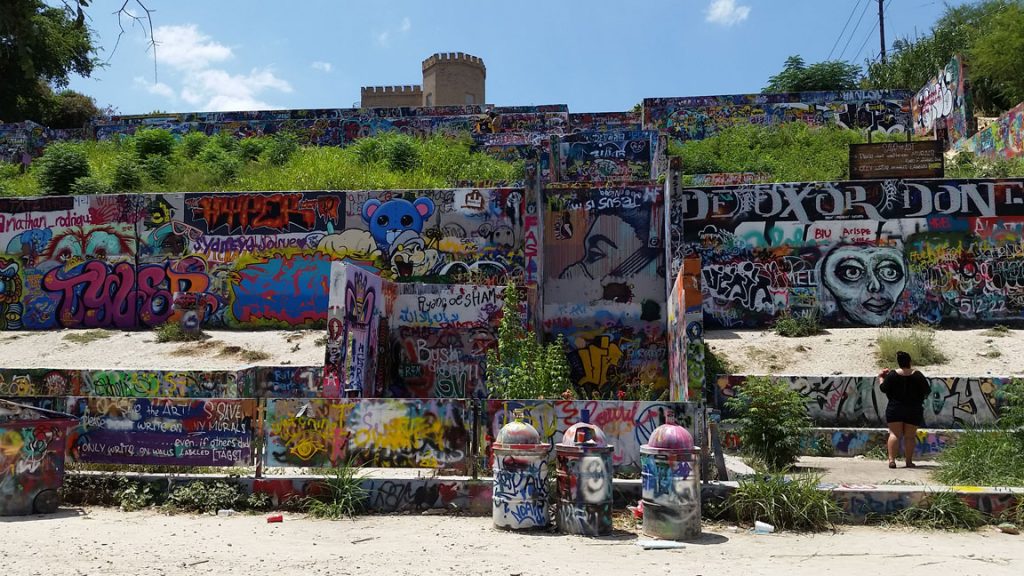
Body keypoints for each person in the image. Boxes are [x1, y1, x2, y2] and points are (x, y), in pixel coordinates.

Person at [877, 351, 930, 469]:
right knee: (910, 436)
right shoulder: (918, 375)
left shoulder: (892, 375)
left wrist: (881, 377)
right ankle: (909, 461)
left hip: (895, 408)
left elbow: (883, 388)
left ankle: (892, 460)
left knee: (894, 434)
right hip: (913, 409)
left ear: (898, 363)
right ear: (910, 362)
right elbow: (927, 391)